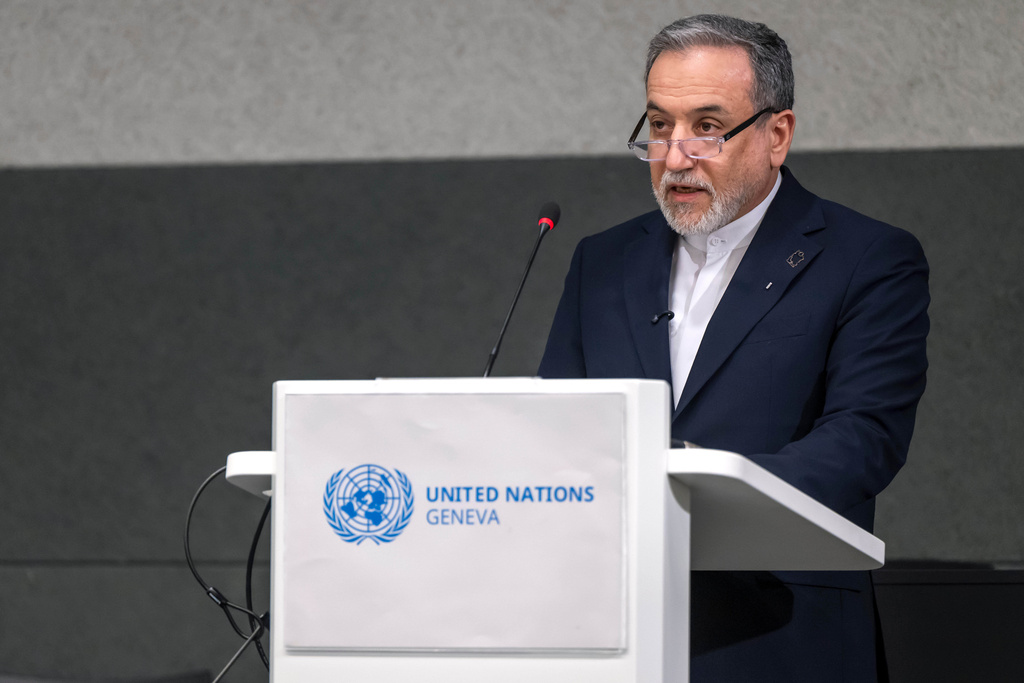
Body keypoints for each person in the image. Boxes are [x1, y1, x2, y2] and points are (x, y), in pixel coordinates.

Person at [538, 14, 929, 683]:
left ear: (777, 134)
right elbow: (556, 430)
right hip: (613, 630)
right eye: (660, 126)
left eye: (708, 126)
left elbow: (863, 441)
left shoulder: (868, 259)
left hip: (778, 635)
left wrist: (696, 481)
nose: (676, 153)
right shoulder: (602, 261)